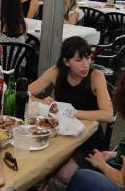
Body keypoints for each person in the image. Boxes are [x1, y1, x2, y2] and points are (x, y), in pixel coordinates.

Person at [28, 36, 113, 183]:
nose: (85, 65)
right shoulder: (56, 71)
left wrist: (74, 112)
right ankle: (45, 180)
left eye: (88, 58)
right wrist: (44, 102)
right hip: (60, 130)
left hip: (88, 135)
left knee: (64, 175)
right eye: (78, 60)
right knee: (35, 157)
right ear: (66, 62)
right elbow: (27, 92)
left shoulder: (96, 77)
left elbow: (108, 115)